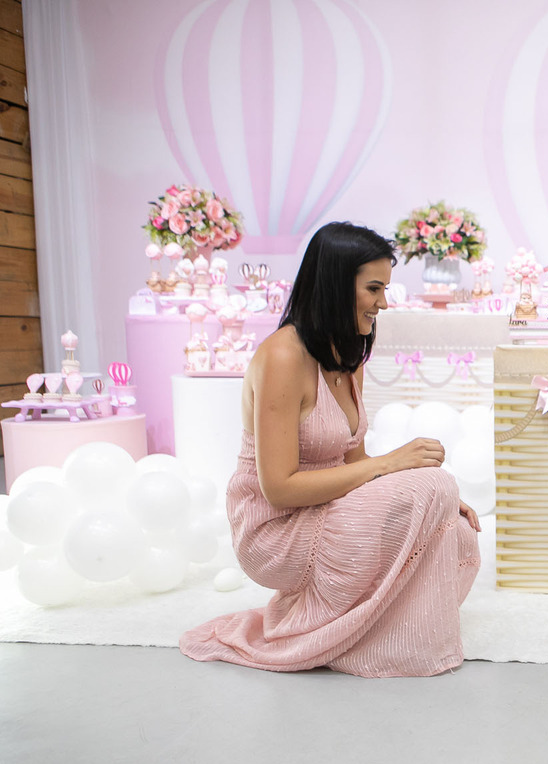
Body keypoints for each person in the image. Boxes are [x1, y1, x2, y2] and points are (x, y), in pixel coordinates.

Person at [180, 222, 482, 677]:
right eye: (374, 288)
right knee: (433, 487)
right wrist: (396, 467)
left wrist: (428, 501)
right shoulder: (283, 358)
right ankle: (343, 634)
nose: (384, 303)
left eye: (385, 288)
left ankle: (371, 632)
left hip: (327, 506)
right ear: (337, 286)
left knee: (455, 528)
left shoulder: (348, 354)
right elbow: (278, 488)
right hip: (274, 528)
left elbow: (353, 461)